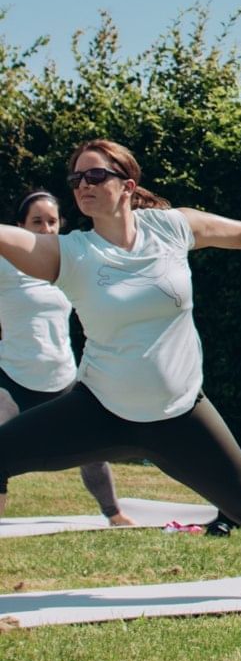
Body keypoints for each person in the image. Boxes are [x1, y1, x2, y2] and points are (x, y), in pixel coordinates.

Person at [0, 140, 241, 601]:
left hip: (180, 414)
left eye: (95, 176)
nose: (83, 186)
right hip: (99, 409)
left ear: (127, 185)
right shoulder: (69, 253)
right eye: (75, 179)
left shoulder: (171, 228)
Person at [0, 191, 130, 523]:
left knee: (93, 450)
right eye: (36, 221)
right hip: (12, 377)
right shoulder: (5, 262)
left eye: (52, 221)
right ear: (19, 226)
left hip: (62, 376)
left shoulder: (70, 264)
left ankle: (114, 514)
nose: (45, 228)